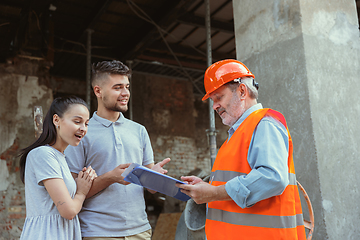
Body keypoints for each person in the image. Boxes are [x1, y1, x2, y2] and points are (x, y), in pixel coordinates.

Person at [177, 59, 306, 240]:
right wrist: (208, 185)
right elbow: (236, 179)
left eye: (219, 97)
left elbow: (272, 178)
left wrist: (213, 193)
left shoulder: (264, 124)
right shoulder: (238, 133)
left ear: (242, 91)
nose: (214, 106)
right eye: (213, 100)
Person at [65, 60, 170, 240]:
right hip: (97, 232)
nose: (125, 93)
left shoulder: (139, 130)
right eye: (118, 87)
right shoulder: (82, 132)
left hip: (140, 231)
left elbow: (150, 188)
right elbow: (72, 192)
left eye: (127, 87)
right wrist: (110, 177)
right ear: (98, 91)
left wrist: (156, 178)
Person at [19, 96, 96, 240]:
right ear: (56, 120)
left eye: (86, 123)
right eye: (77, 121)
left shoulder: (61, 157)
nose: (83, 129)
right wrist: (81, 192)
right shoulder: (43, 154)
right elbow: (69, 211)